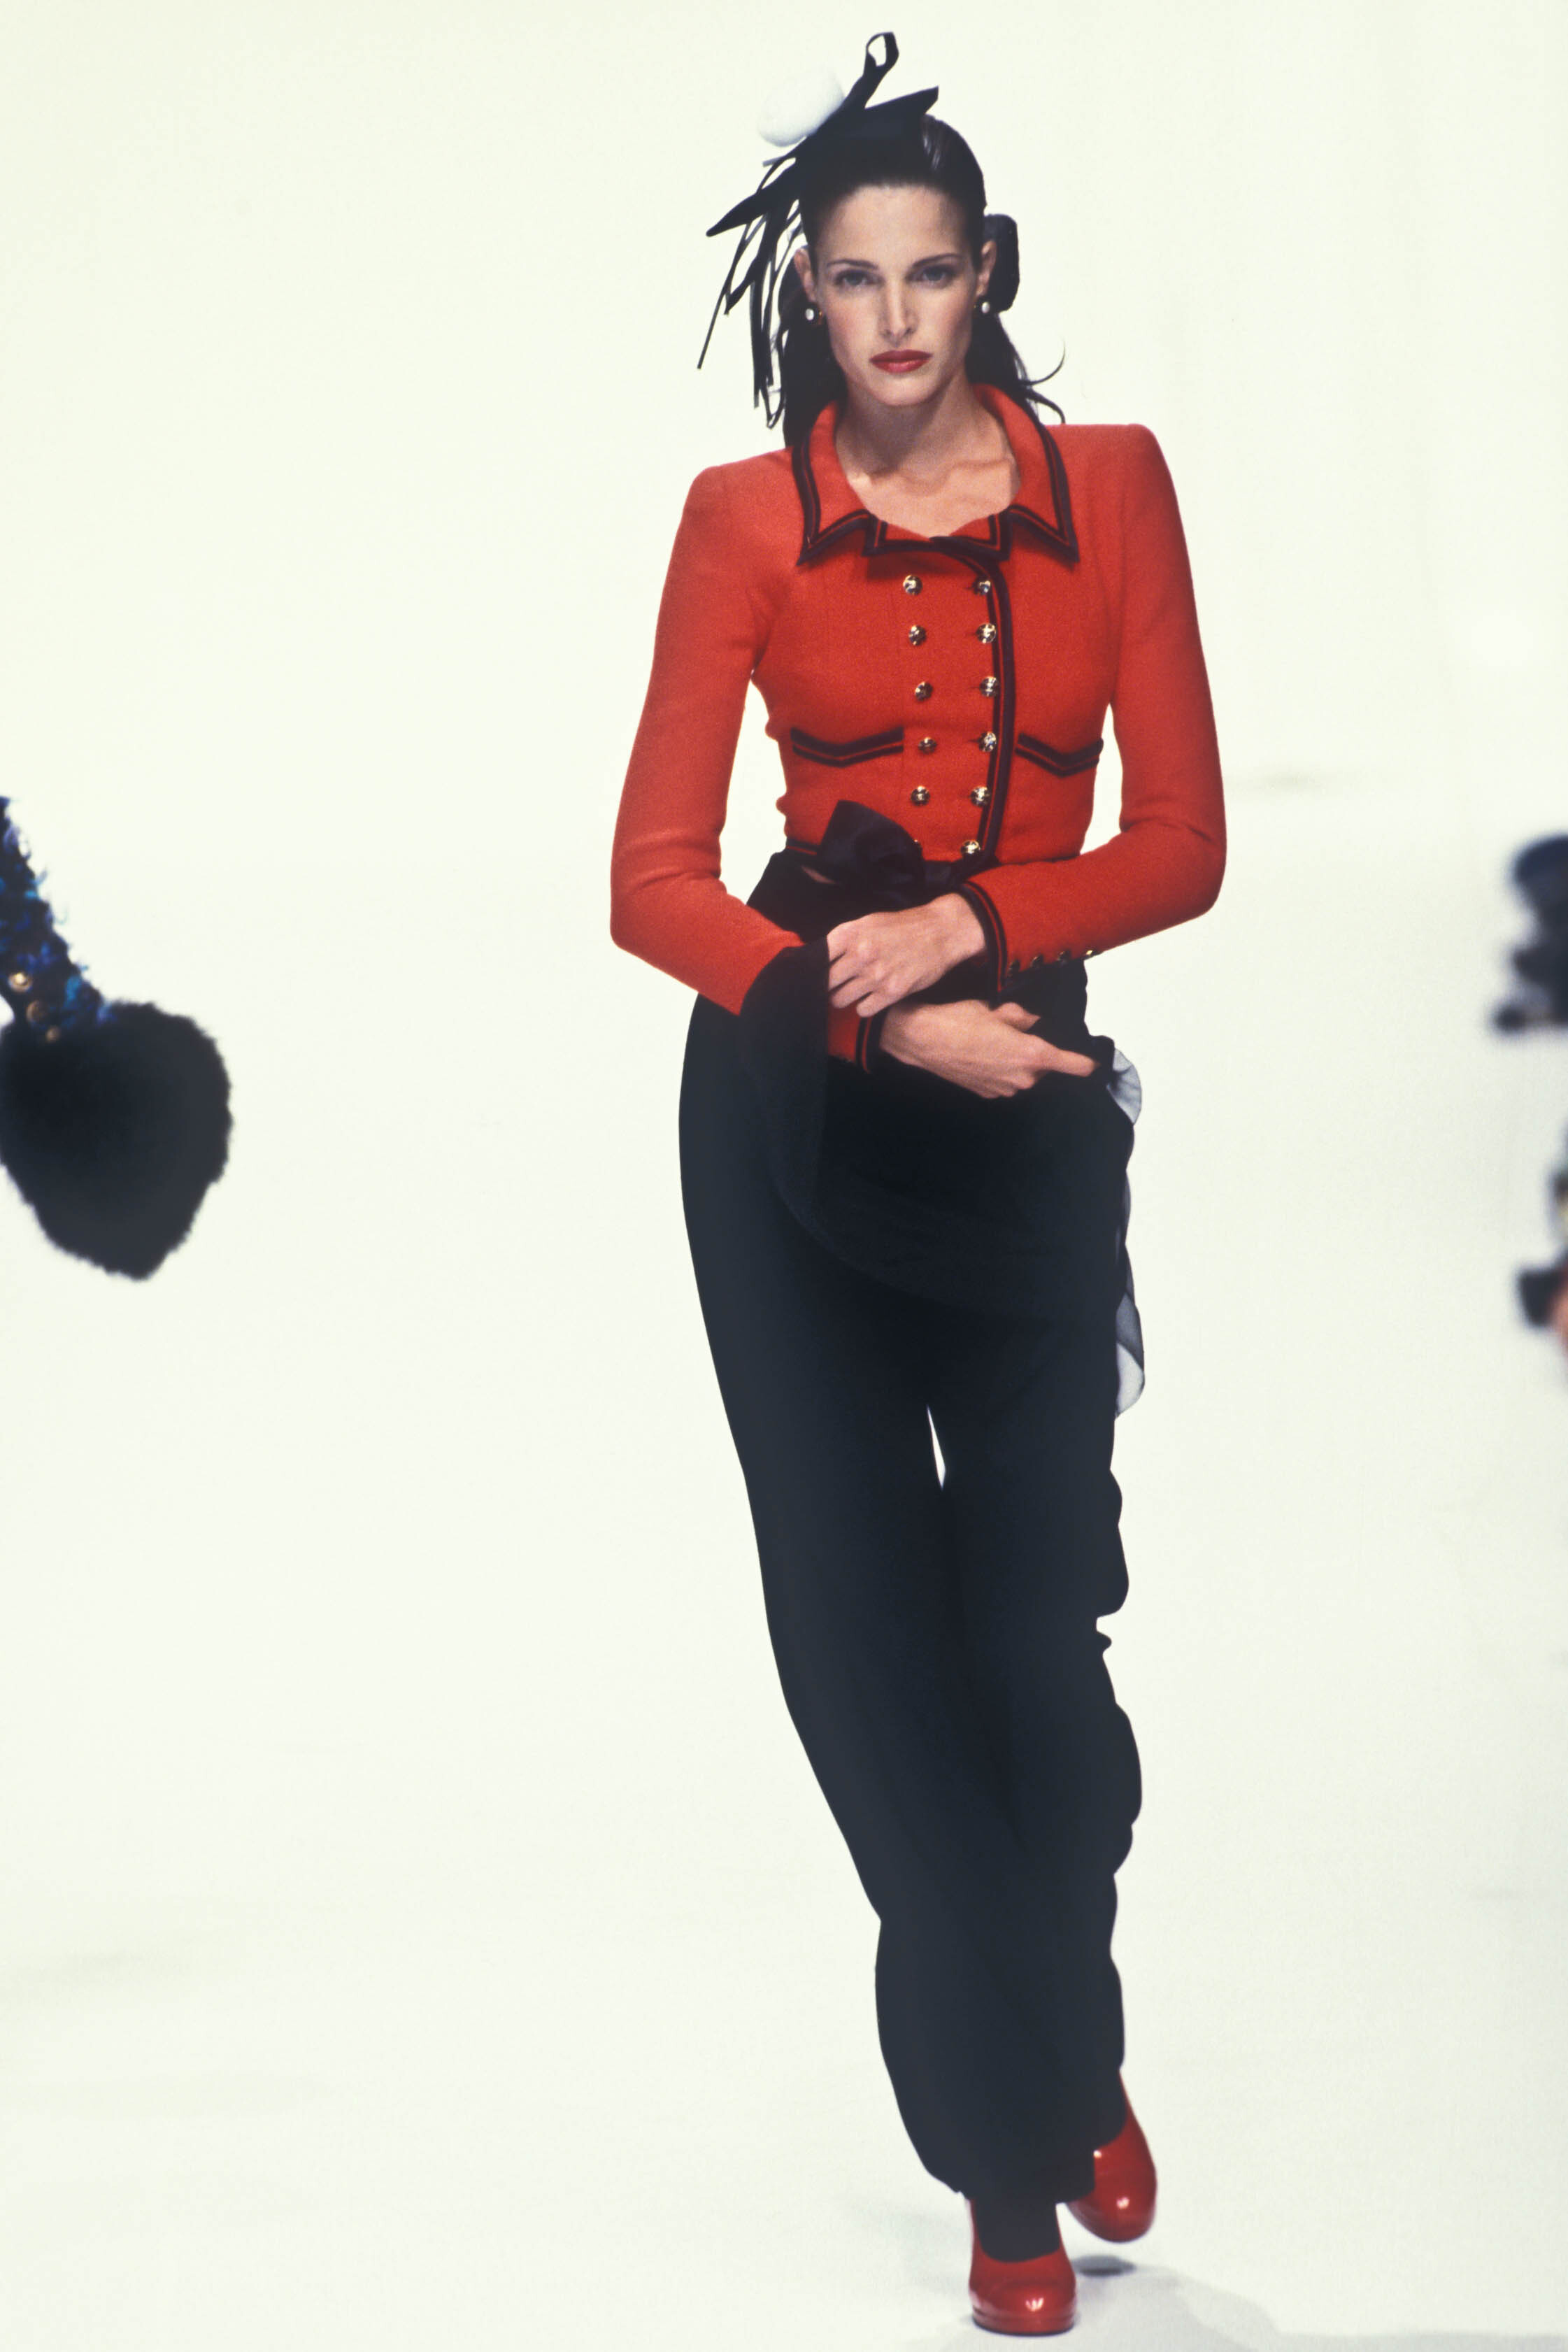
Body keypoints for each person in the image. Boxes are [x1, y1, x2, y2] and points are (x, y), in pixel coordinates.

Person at [610, 36, 1225, 2336]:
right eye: (851, 279)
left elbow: (1182, 840)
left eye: (928, 275)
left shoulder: (1113, 490)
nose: (890, 320)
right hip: (792, 1112)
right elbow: (652, 883)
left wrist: (977, 930)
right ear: (808, 289)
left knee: (1038, 1639)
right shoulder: (740, 519)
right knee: (870, 1652)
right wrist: (875, 1015)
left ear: (987, 277)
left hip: (1024, 1100)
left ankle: (1060, 2032)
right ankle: (1004, 2158)